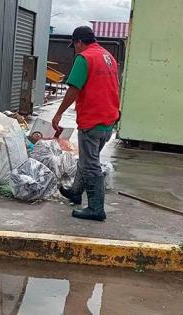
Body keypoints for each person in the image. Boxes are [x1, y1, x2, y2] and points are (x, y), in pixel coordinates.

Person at [52, 26, 120, 221]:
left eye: (74, 45)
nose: (75, 49)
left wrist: (58, 114)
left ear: (79, 42)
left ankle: (96, 208)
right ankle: (75, 191)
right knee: (87, 159)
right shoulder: (108, 57)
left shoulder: (85, 58)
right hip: (108, 119)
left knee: (91, 166)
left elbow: (74, 89)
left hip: (93, 120)